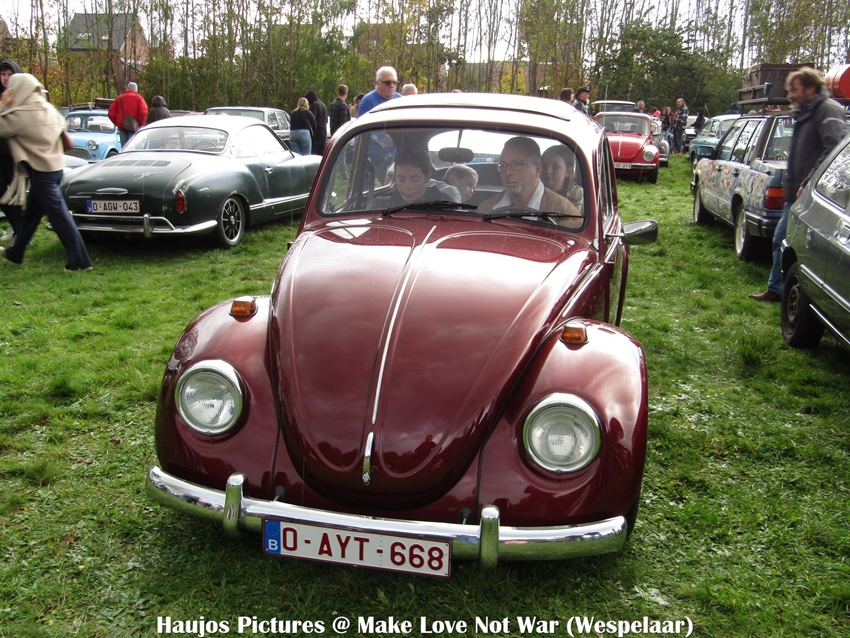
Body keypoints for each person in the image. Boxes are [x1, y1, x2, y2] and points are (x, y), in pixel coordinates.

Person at [748, 66, 847, 303]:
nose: (790, 95)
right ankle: (778, 289)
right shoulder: (805, 113)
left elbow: (833, 150)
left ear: (810, 89)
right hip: (796, 193)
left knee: (797, 245)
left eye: (794, 90)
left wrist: (809, 181)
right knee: (782, 241)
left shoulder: (828, 110)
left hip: (814, 195)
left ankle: (797, 294)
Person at [0, 73, 93, 271]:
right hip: (55, 169)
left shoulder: (21, 114)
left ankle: (80, 261)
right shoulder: (47, 108)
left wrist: (3, 104)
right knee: (31, 215)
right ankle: (16, 252)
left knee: (60, 218)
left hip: (41, 172)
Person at [477, 136, 582, 228]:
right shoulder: (485, 209)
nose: (507, 172)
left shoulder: (567, 216)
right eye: (503, 165)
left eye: (517, 164)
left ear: (538, 170)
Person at [375, 146, 460, 207]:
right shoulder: (382, 206)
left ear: (427, 178)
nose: (407, 187)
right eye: (401, 179)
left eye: (415, 179)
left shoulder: (444, 206)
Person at [0, 58, 22, 243]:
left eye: (10, 74)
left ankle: (19, 231)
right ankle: (15, 225)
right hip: (0, 153)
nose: (6, 78)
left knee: (15, 194)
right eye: (3, 74)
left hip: (15, 153)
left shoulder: (21, 95)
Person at [541, 145, 583, 210]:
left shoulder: (577, 194)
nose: (548, 171)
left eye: (555, 167)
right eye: (544, 166)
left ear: (568, 172)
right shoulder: (533, 190)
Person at [108, 81, 148, 147]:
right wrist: (140, 124)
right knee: (132, 147)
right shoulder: (139, 98)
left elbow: (111, 113)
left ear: (127, 89)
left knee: (124, 147)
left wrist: (118, 123)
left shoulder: (119, 98)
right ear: (136, 89)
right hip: (134, 126)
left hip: (122, 127)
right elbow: (143, 112)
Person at [304, 89, 327, 155]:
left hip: (317, 131)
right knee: (321, 152)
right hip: (324, 130)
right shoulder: (322, 104)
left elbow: (312, 119)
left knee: (313, 151)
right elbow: (326, 119)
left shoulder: (314, 105)